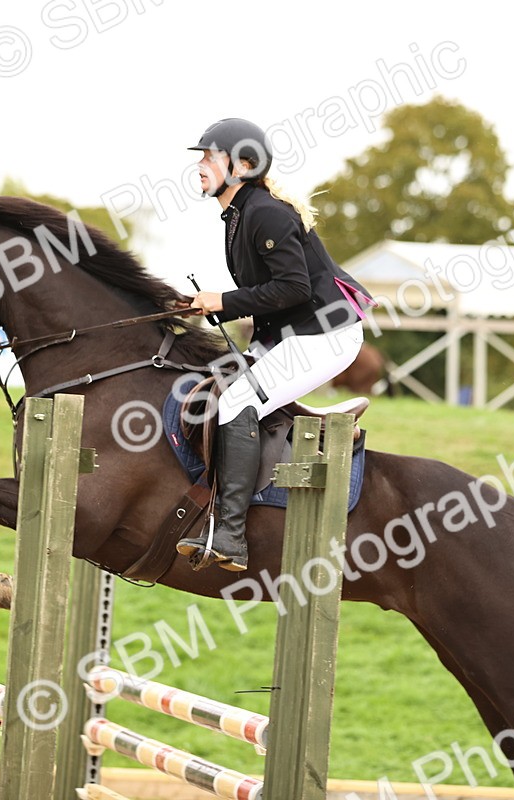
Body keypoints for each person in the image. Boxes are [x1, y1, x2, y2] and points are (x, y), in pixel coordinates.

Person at [175, 118, 375, 572]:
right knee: (223, 384)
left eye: (209, 157)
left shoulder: (265, 212)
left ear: (243, 165)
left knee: (237, 402)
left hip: (325, 333)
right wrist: (207, 306)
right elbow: (273, 295)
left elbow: (294, 289)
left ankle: (231, 536)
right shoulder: (238, 214)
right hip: (293, 334)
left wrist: (221, 301)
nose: (200, 166)